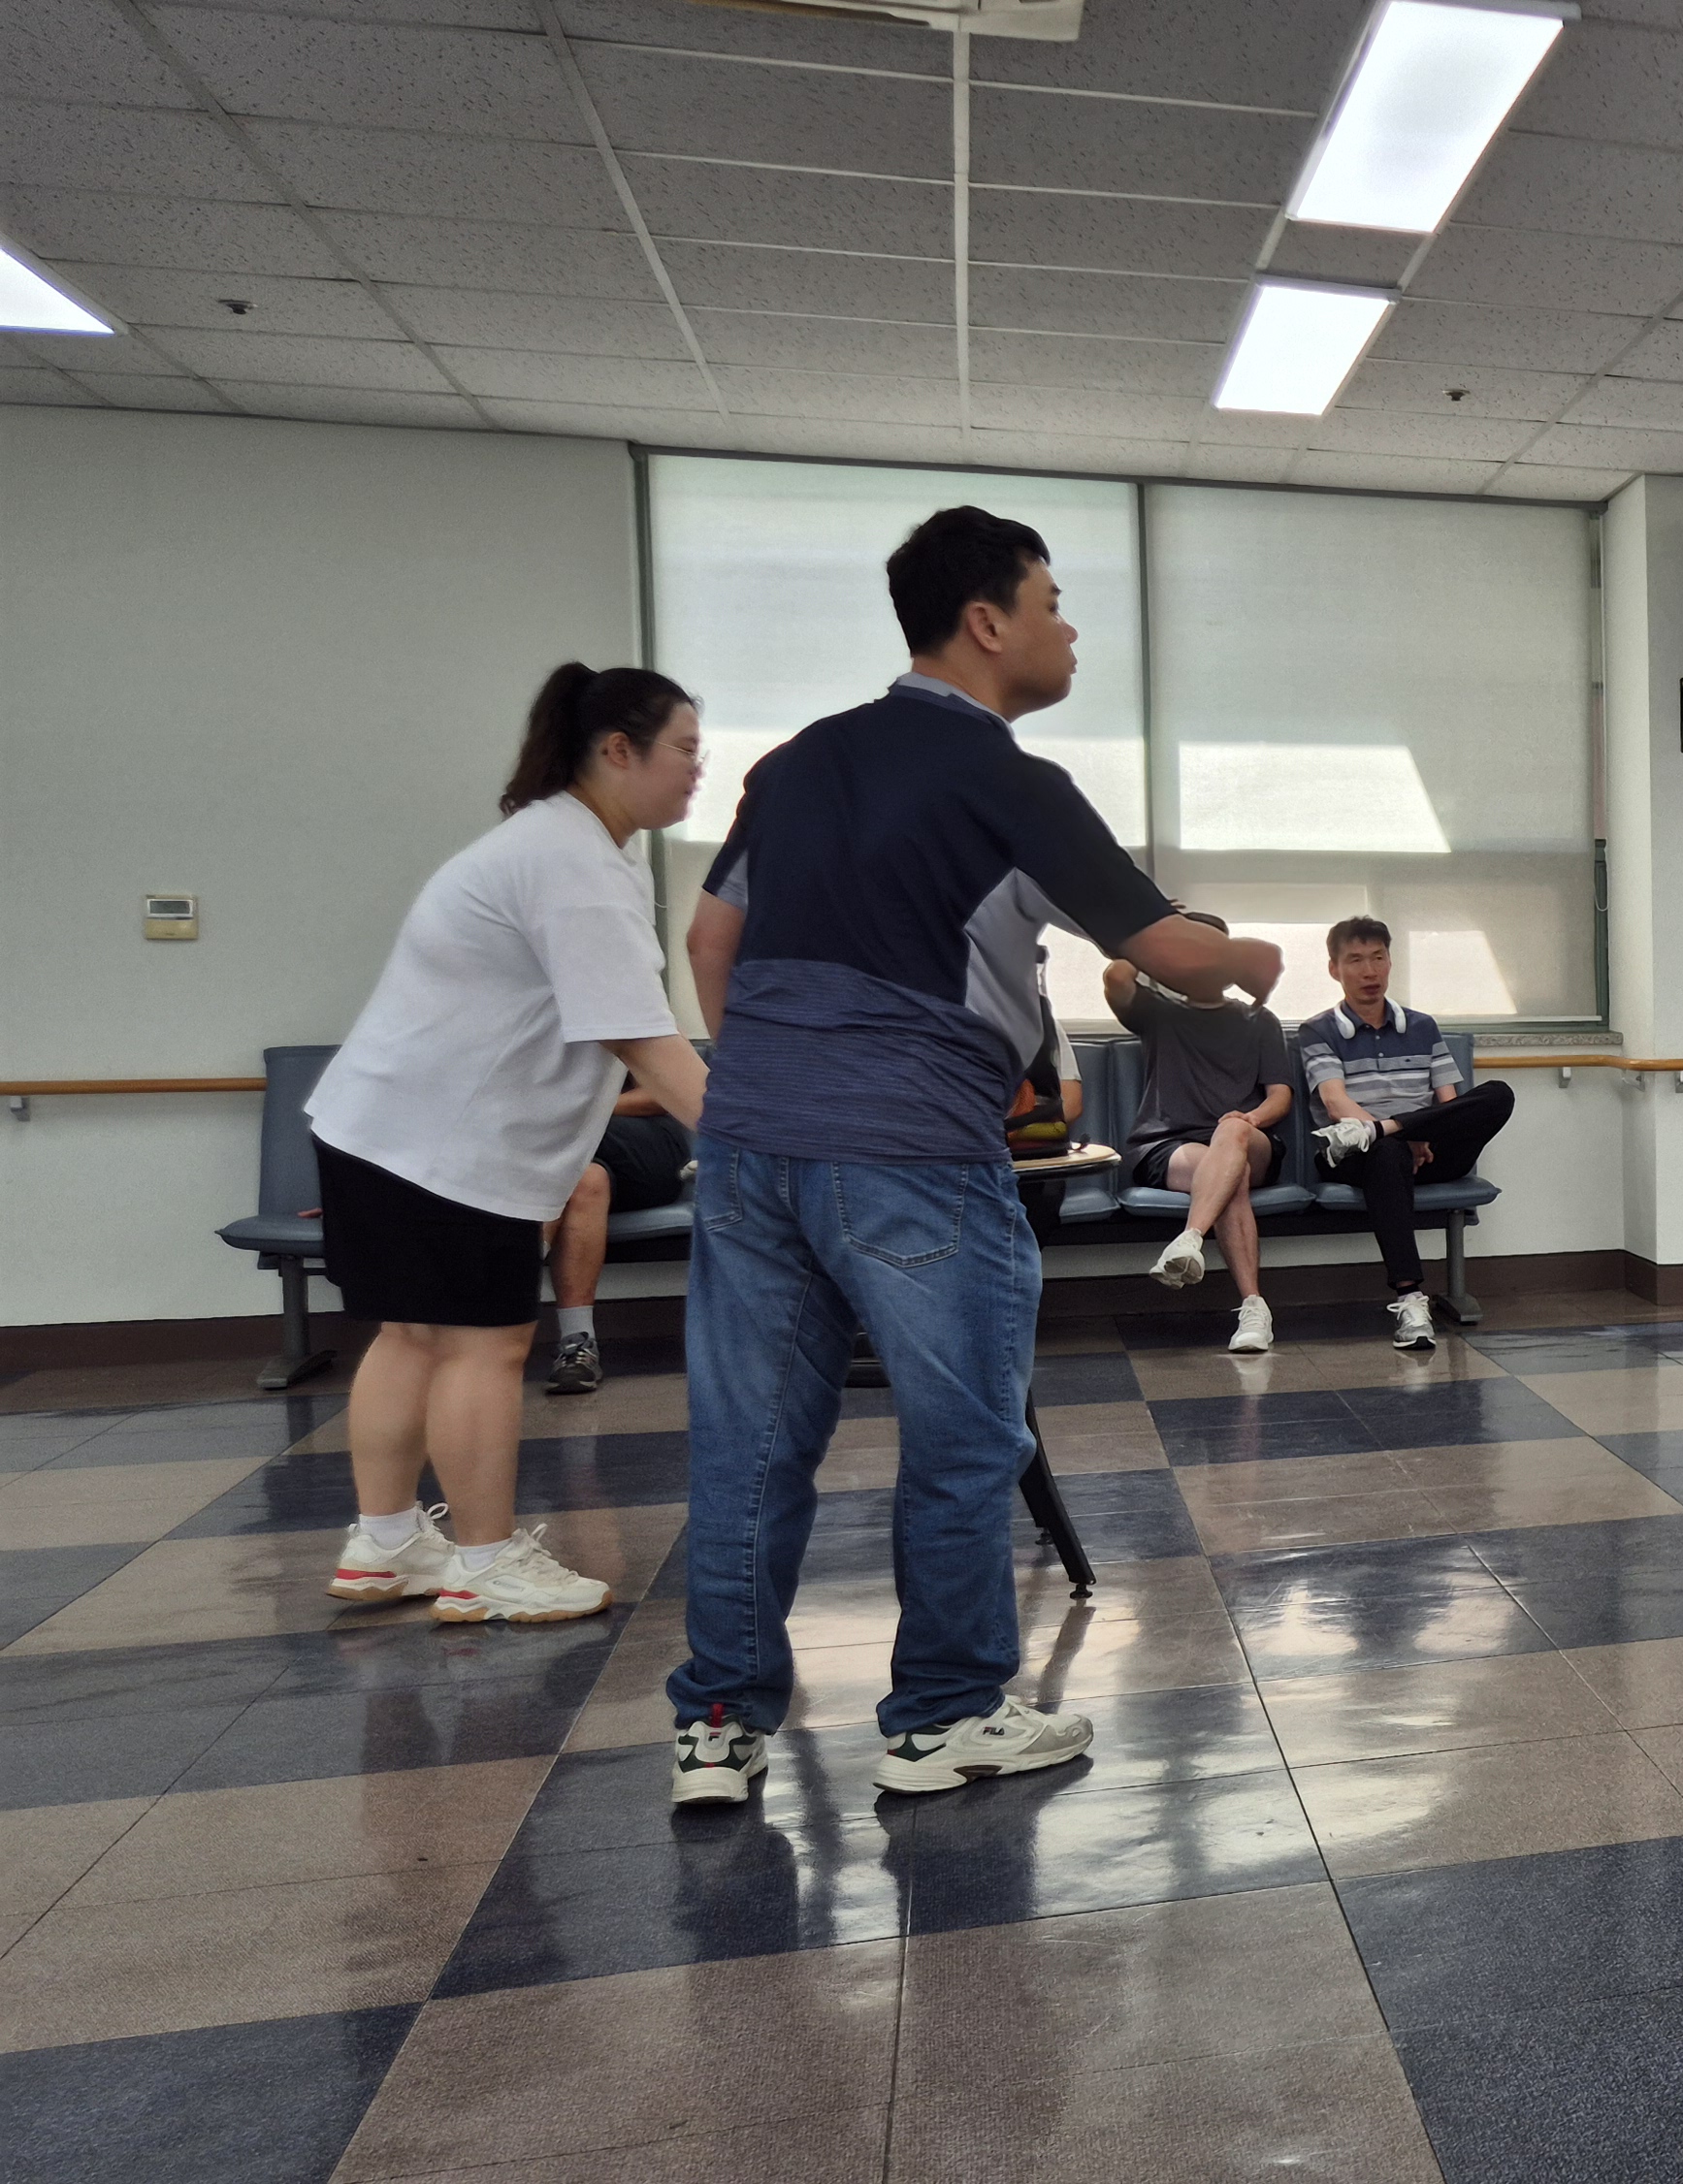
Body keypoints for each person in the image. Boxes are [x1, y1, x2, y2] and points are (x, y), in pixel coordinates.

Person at [666, 504, 1278, 1809]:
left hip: (751, 1140)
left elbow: (711, 944)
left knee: (750, 1443)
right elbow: (1172, 952)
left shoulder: (796, 764)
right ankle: (942, 1715)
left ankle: (716, 1725)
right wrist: (1255, 959)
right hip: (911, 1147)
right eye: (1053, 603)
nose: (1070, 629)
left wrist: (774, 1079)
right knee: (960, 1438)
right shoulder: (1010, 781)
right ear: (988, 622)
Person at [311, 664, 710, 1622]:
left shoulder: (558, 844)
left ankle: (385, 1543)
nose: (698, 770)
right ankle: (485, 1564)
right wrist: (768, 1139)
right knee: (483, 1351)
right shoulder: (572, 861)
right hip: (442, 1148)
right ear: (618, 750)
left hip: (377, 1128)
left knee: (412, 1336)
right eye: (686, 749)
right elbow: (641, 1037)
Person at [1301, 916, 1513, 1352]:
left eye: (1378, 958)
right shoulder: (1319, 1030)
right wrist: (1398, 1137)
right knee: (1387, 1153)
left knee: (1498, 1094)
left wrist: (1412, 1130)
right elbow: (1336, 1103)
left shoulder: (1421, 1026)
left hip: (1426, 1149)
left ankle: (1389, 1130)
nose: (1369, 971)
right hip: (1354, 1153)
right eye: (1355, 960)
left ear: (1390, 962)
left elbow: (1449, 1104)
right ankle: (1410, 1299)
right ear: (1334, 969)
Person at [1109, 913, 1297, 1355]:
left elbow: (1280, 1097)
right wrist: (1151, 931)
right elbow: (1117, 975)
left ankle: (1190, 1238)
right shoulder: (1159, 1013)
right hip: (1168, 1145)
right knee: (1231, 1177)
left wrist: (1250, 1120)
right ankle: (1254, 1308)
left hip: (1247, 1136)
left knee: (1230, 1135)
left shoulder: (1258, 1020)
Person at [538, 1079, 690, 1396]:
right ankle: (577, 1344)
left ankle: (502, 1284)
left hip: (636, 1141)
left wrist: (576, 1111)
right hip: (567, 1160)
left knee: (540, 1135)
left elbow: (663, 1093)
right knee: (585, 1182)